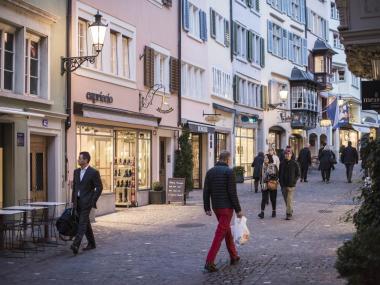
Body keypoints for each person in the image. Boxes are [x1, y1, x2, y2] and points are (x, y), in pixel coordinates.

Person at [203, 150, 243, 273]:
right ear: (227, 160)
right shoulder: (229, 172)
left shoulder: (210, 172)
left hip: (216, 207)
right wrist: (238, 210)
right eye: (230, 159)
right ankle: (209, 261)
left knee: (226, 231)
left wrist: (207, 207)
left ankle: (234, 255)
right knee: (220, 234)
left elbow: (206, 191)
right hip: (226, 208)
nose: (230, 161)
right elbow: (232, 193)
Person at [70, 151, 103, 255]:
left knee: (82, 223)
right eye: (78, 158)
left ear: (85, 160)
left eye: (80, 158)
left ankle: (76, 244)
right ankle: (92, 243)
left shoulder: (93, 172)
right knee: (85, 223)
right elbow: (75, 188)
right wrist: (73, 201)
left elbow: (99, 187)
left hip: (87, 202)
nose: (78, 160)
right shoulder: (76, 172)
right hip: (78, 201)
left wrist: (93, 200)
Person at [279, 149, 300, 220]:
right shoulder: (281, 163)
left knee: (289, 199)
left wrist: (294, 181)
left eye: (289, 154)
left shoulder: (294, 163)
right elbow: (280, 173)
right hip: (283, 185)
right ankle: (290, 209)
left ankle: (288, 214)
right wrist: (280, 181)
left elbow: (298, 174)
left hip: (291, 185)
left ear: (291, 155)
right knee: (286, 200)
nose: (287, 155)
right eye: (286, 154)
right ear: (284, 155)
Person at [258, 154, 278, 219]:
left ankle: (274, 211)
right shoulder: (262, 166)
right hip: (264, 184)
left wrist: (271, 177)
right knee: (264, 198)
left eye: (266, 158)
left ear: (269, 159)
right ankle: (262, 213)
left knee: (273, 199)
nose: (265, 159)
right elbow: (260, 175)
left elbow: (277, 175)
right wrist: (261, 183)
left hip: (272, 183)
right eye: (264, 158)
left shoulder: (274, 166)